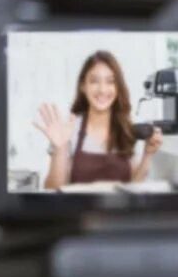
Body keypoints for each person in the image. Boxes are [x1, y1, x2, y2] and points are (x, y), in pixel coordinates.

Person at [33, 50, 163, 189]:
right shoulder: (69, 129)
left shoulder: (124, 128)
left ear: (117, 87)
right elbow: (52, 190)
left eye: (110, 82)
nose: (102, 90)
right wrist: (60, 149)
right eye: (94, 81)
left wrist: (147, 155)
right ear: (83, 86)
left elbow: (132, 186)